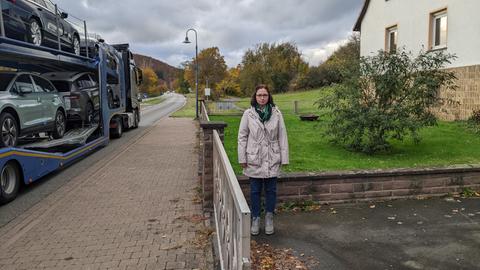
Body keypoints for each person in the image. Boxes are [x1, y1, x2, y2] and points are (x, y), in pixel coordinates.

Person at [238, 84, 289, 235]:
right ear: (255, 97)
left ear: (269, 97)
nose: (262, 98)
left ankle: (269, 217)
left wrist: (284, 158)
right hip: (254, 156)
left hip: (272, 156)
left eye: (265, 95)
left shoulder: (277, 113)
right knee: (254, 190)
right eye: (259, 95)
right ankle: (255, 218)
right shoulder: (248, 114)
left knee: (271, 190)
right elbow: (242, 137)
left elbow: (282, 135)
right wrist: (242, 157)